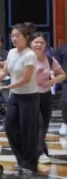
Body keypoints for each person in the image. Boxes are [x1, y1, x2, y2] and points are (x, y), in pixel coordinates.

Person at [0, 23, 41, 173]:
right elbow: (4, 71)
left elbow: (26, 79)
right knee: (10, 127)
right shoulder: (12, 52)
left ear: (26, 37)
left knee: (28, 131)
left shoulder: (30, 55)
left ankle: (30, 164)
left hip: (29, 97)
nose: (14, 38)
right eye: (12, 35)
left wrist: (7, 87)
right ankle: (21, 159)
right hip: (15, 96)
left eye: (17, 36)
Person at [30, 33, 64, 166]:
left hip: (45, 95)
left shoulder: (49, 59)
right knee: (37, 124)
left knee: (44, 125)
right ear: (30, 43)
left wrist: (50, 82)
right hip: (30, 95)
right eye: (36, 42)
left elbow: (62, 74)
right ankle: (41, 153)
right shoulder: (26, 58)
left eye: (42, 42)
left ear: (45, 45)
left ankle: (38, 150)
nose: (39, 45)